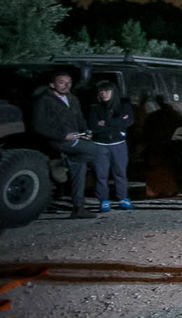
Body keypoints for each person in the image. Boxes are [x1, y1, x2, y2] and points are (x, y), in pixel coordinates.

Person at [32, 71, 105, 219]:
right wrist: (62, 136)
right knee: (101, 151)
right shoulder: (44, 101)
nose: (66, 85)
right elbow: (38, 126)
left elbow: (80, 119)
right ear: (52, 84)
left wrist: (86, 131)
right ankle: (63, 162)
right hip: (59, 141)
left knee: (79, 171)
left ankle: (78, 208)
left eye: (69, 82)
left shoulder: (72, 98)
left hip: (76, 139)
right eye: (61, 82)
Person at [86, 80, 134, 212]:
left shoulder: (124, 106)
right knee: (101, 174)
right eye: (101, 91)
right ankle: (103, 200)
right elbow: (94, 127)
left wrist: (106, 123)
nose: (104, 94)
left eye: (107, 91)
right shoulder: (95, 108)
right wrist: (117, 122)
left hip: (119, 144)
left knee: (120, 173)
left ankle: (123, 198)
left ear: (114, 92)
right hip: (99, 145)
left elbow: (128, 121)